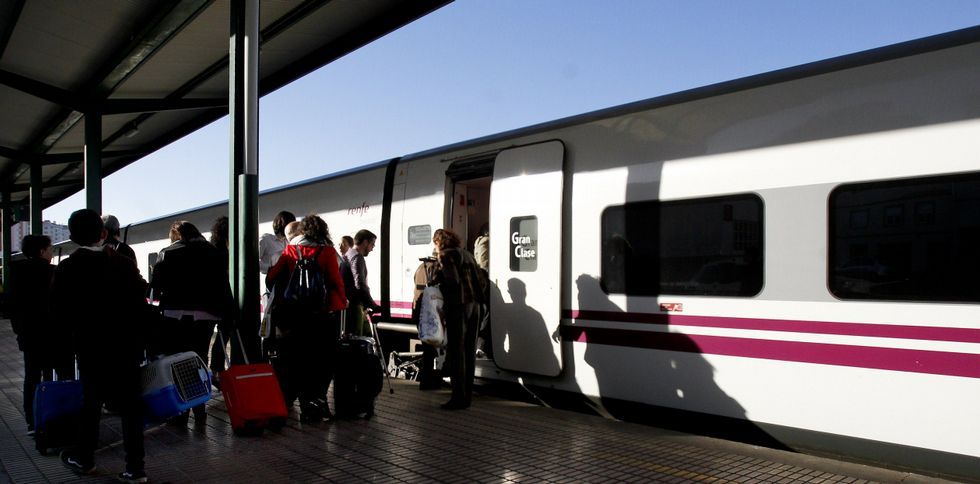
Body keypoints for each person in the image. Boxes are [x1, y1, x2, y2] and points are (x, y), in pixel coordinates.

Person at [52, 209, 150, 483]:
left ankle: (85, 460)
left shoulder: (68, 268)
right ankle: (135, 469)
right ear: (104, 233)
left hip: (91, 347)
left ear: (71, 237)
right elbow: (140, 301)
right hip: (127, 347)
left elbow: (59, 313)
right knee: (131, 407)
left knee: (91, 404)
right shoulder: (123, 263)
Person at [148, 220, 234, 426]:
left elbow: (156, 287)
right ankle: (200, 409)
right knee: (200, 359)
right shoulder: (216, 253)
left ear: (176, 236)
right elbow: (223, 286)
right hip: (206, 317)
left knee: (177, 362)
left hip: (175, 316)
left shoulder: (167, 253)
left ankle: (182, 411)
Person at [266, 214, 346, 422]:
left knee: (297, 360)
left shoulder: (291, 250)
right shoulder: (327, 252)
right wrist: (340, 304)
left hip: (295, 318)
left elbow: (272, 278)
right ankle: (314, 407)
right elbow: (337, 284)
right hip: (322, 317)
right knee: (321, 362)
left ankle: (296, 401)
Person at [9, 234, 72, 434]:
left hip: (30, 336)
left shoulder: (17, 273)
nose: (52, 253)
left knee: (32, 378)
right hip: (56, 335)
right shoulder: (55, 272)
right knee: (62, 376)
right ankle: (60, 418)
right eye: (50, 249)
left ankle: (33, 420)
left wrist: (20, 331)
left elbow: (13, 307)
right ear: (42, 251)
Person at [432, 228, 485, 410]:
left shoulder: (446, 256)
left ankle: (457, 397)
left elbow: (452, 281)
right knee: (469, 352)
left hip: (458, 306)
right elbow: (481, 280)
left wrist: (437, 278)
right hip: (475, 306)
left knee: (456, 351)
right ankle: (467, 397)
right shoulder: (468, 254)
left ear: (439, 242)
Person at [344, 229, 380, 336]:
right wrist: (372, 304)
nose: (372, 249)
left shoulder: (348, 254)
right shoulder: (357, 257)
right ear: (365, 242)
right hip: (355, 306)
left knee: (367, 334)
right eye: (372, 244)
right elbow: (359, 283)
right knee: (358, 339)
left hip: (352, 304)